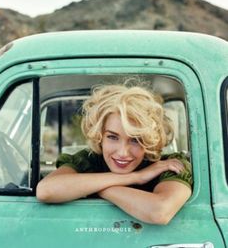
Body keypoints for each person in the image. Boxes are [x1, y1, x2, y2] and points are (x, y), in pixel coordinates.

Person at [36, 84, 192, 224]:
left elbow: (159, 212)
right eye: (112, 137)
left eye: (135, 140)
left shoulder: (169, 165)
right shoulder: (89, 160)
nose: (123, 152)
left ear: (149, 140)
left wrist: (95, 188)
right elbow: (46, 190)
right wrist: (135, 177)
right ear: (100, 137)